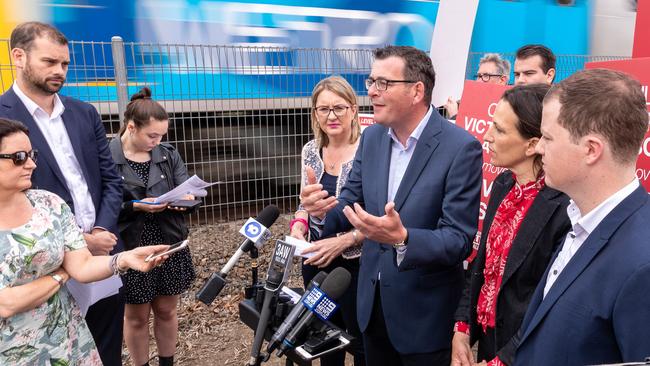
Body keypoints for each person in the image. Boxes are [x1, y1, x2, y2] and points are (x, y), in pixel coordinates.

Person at [301, 45, 483, 365]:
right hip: (372, 309)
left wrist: (403, 238)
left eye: (383, 83)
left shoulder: (461, 148)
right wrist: (320, 210)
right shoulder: (372, 139)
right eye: (371, 82)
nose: (372, 91)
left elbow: (457, 239)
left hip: (423, 319)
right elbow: (348, 203)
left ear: (416, 91)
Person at [0, 22, 125, 365]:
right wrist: (79, 242)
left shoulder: (84, 113)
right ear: (19, 57)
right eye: (50, 62)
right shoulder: (2, 119)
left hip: (101, 258)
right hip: (41, 272)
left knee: (105, 349)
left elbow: (111, 181)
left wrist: (101, 230)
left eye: (65, 64)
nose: (60, 72)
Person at [0, 118, 169, 365]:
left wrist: (123, 259)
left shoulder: (49, 204)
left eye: (31, 154)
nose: (32, 164)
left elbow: (83, 266)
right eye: (19, 157)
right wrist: (60, 275)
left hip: (67, 339)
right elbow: (6, 303)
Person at [513, 69, 650, 364]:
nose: (537, 148)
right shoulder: (580, 218)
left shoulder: (642, 264)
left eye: (547, 137)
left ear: (590, 150)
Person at [450, 84, 571, 366]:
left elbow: (549, 304)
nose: (487, 136)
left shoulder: (565, 208)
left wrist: (504, 361)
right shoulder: (504, 184)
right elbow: (481, 265)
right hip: (490, 339)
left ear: (533, 144)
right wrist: (462, 328)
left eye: (500, 130)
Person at [109, 87, 196, 366]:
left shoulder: (167, 154)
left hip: (168, 242)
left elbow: (188, 191)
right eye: (152, 136)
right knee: (135, 317)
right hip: (132, 247)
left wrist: (186, 201)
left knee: (167, 310)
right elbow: (103, 207)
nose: (157, 141)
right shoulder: (108, 158)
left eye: (162, 136)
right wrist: (136, 206)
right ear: (131, 127)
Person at [289, 76, 365, 366]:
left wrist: (348, 239)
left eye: (339, 108)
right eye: (323, 109)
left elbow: (379, 215)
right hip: (316, 260)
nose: (331, 116)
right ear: (314, 114)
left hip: (355, 262)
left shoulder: (367, 151)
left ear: (354, 110)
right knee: (323, 337)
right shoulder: (310, 150)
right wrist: (299, 226)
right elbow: (304, 204)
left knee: (359, 342)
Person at [445, 53, 510, 119]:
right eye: (479, 76)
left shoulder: (511, 110)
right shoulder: (471, 104)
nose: (479, 81)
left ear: (502, 80)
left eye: (486, 76)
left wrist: (455, 116)